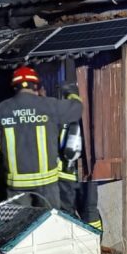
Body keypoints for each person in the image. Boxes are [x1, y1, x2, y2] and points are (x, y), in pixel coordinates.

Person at [0, 66, 82, 209]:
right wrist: (72, 93)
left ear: (14, 87)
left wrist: (0, 155)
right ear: (35, 85)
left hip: (16, 185)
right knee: (48, 223)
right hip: (46, 184)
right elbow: (76, 109)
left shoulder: (1, 109)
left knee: (19, 225)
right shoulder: (48, 105)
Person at [57, 81, 84, 217]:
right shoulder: (81, 114)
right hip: (77, 173)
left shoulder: (69, 117)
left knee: (67, 211)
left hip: (65, 172)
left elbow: (70, 148)